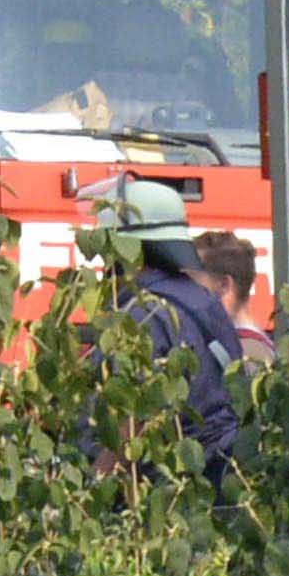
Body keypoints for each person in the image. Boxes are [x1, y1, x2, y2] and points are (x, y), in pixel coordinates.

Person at [98, 178, 246, 477]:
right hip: (214, 477)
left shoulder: (141, 316)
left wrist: (93, 484)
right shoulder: (200, 301)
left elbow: (133, 421)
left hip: (162, 491)